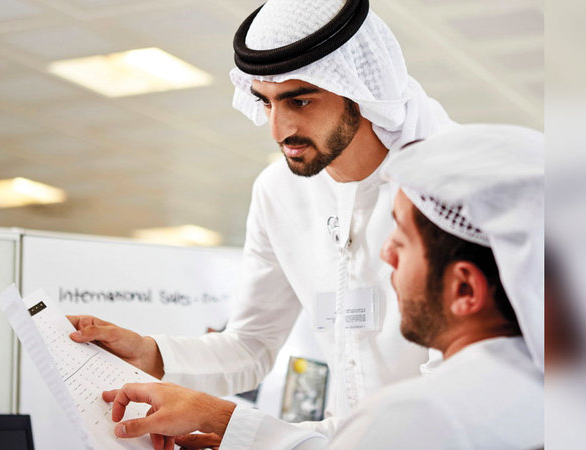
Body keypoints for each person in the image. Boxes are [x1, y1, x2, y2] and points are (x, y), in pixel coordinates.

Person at [68, 0, 452, 441]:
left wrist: (234, 427)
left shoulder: (450, 186)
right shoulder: (279, 191)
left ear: (360, 89)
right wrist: (148, 353)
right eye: (265, 103)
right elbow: (251, 345)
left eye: (300, 101)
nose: (277, 129)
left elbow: (450, 408)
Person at [101, 124, 545, 449]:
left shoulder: (424, 414)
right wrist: (223, 422)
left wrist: (222, 418)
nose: (386, 253)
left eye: (403, 240)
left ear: (465, 289)